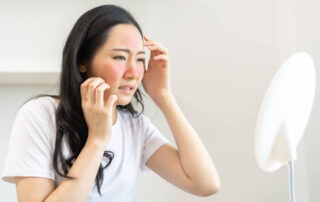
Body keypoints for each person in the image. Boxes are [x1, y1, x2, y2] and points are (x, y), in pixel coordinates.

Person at [1, 4, 221, 202]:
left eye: (139, 59)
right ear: (82, 62)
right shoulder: (40, 115)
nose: (134, 73)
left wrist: (164, 96)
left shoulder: (135, 126)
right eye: (119, 57)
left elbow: (205, 184)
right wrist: (98, 139)